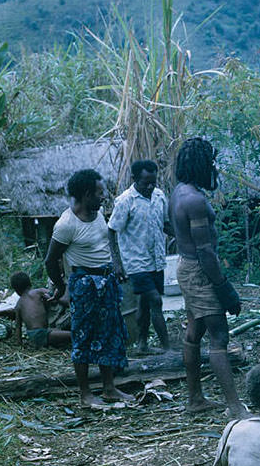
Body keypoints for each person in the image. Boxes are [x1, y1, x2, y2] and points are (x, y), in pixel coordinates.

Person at [168, 137, 248, 417]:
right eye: (211, 162)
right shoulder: (194, 200)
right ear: (201, 164)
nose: (214, 168)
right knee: (219, 336)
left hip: (187, 268)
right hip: (199, 272)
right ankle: (235, 407)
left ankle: (195, 399)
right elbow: (205, 252)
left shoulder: (180, 192)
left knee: (194, 332)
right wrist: (225, 289)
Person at [45, 169, 133, 407]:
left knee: (108, 335)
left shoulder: (98, 214)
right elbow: (50, 260)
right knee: (82, 338)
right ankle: (85, 394)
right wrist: (62, 287)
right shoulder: (66, 225)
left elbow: (106, 244)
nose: (103, 197)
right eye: (99, 192)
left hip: (106, 283)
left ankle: (109, 388)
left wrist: (116, 267)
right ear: (85, 195)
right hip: (84, 286)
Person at [108, 159, 172, 354]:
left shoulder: (159, 196)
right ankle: (167, 347)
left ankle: (142, 344)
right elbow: (111, 231)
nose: (150, 186)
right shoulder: (125, 201)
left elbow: (165, 225)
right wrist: (117, 263)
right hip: (136, 262)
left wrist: (187, 238)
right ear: (134, 179)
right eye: (146, 183)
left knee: (144, 304)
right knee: (156, 301)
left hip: (156, 260)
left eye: (153, 182)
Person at [11, 271, 71, 349]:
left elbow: (18, 326)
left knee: (59, 334)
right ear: (30, 283)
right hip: (41, 334)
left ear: (16, 290)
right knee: (73, 335)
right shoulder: (39, 292)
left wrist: (19, 344)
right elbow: (54, 296)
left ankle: (46, 343)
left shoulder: (18, 304)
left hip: (34, 335)